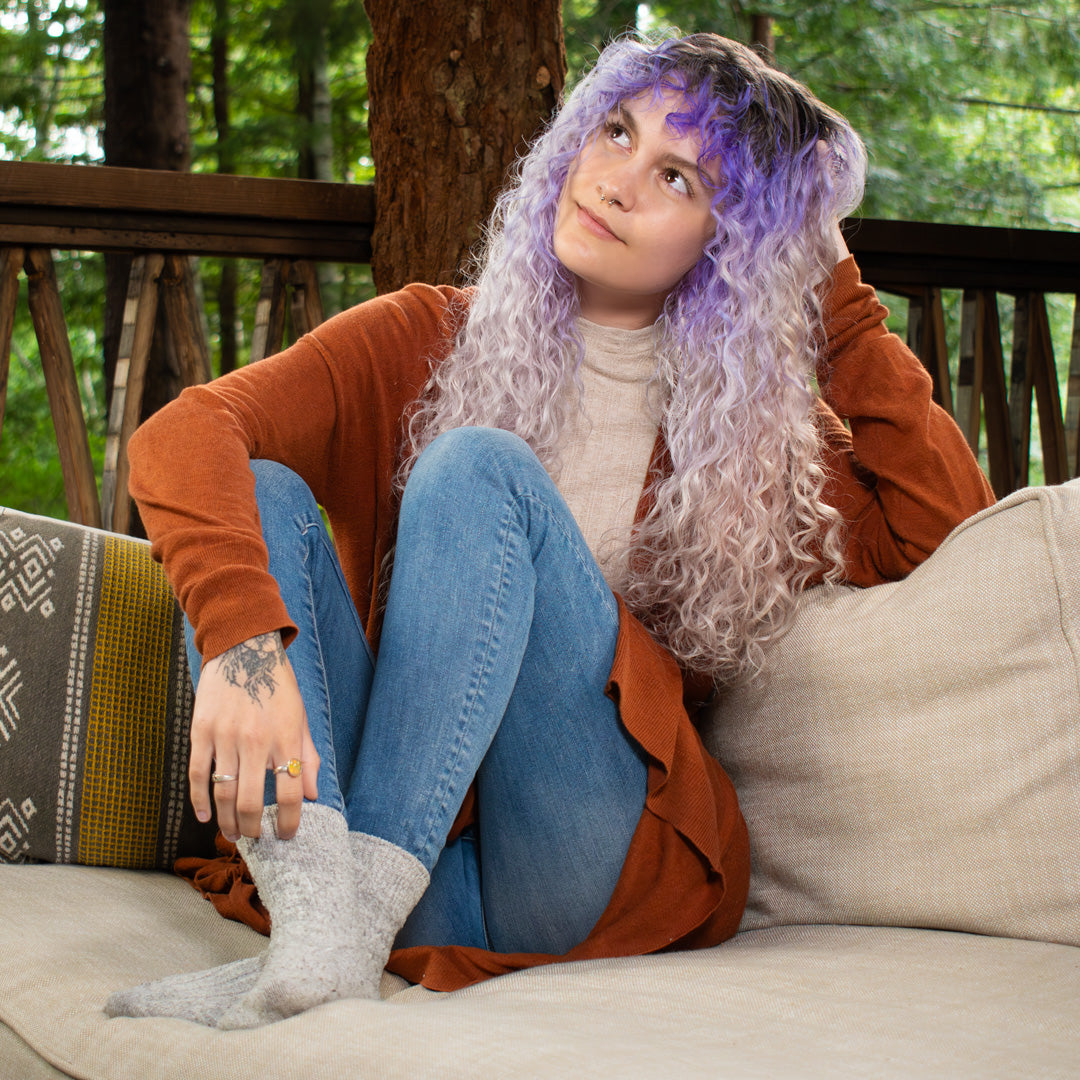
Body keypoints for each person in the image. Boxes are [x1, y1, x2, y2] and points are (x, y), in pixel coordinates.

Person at [106, 32, 993, 1028]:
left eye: (676, 175)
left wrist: (833, 288)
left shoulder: (759, 443)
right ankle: (326, 930)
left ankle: (329, 944)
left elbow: (946, 530)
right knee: (258, 483)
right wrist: (241, 650)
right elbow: (186, 433)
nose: (615, 182)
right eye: (614, 132)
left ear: (733, 240)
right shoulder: (424, 335)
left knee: (477, 471)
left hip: (576, 862)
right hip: (402, 870)